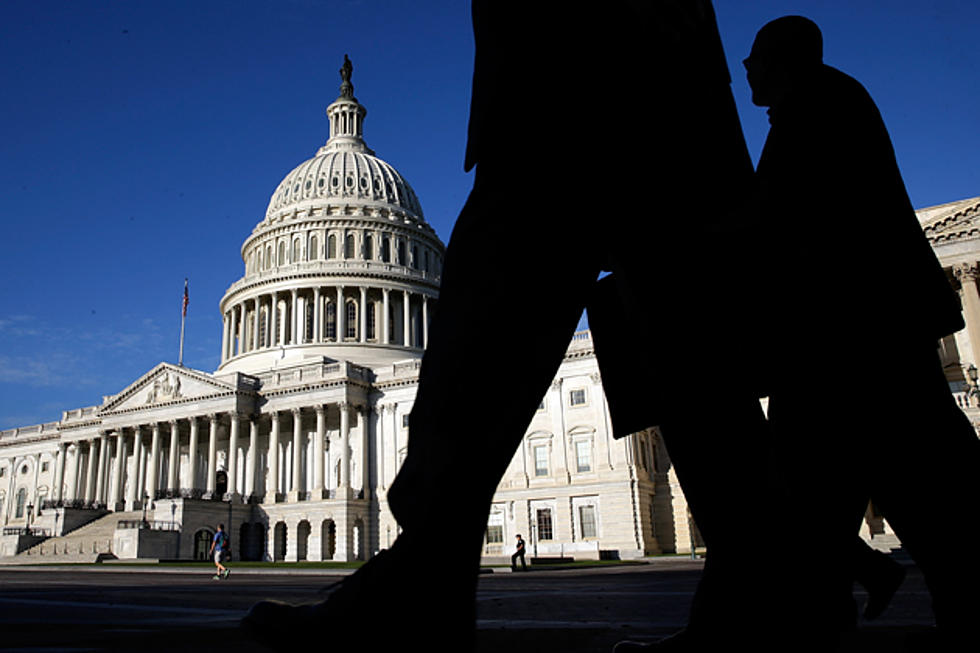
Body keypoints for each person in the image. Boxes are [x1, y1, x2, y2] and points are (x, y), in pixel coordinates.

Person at [243, 2, 768, 650]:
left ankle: (425, 570)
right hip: (640, 63)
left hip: (569, 55)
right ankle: (768, 582)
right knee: (681, 322)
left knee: (519, 273)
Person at [745, 15, 980, 649]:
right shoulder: (829, 101)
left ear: (782, 60)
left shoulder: (815, 110)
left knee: (900, 496)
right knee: (839, 496)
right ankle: (859, 584)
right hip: (857, 339)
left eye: (755, 57)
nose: (745, 69)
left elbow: (778, 227)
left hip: (844, 343)